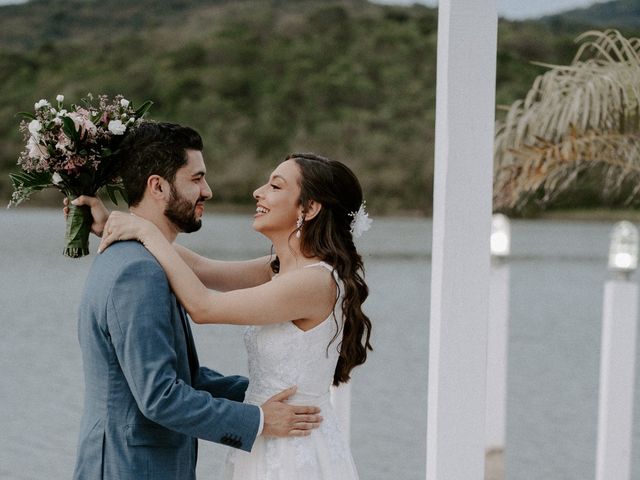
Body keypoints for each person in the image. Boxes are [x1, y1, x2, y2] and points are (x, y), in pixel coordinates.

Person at [84, 151, 373, 479]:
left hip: (294, 448)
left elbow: (203, 307)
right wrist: (113, 224)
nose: (258, 192)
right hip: (266, 435)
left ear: (309, 208)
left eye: (275, 187)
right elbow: (200, 268)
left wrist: (147, 232)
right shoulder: (278, 270)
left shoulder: (313, 282)